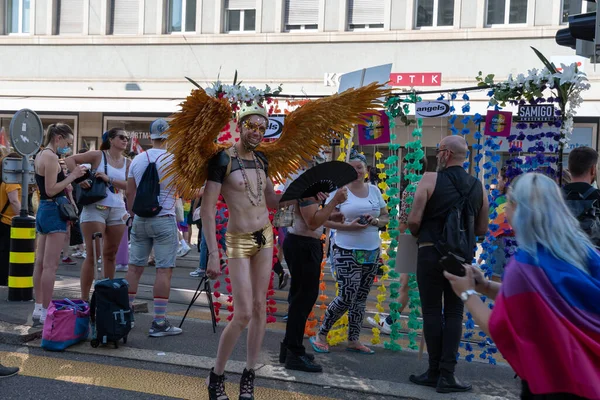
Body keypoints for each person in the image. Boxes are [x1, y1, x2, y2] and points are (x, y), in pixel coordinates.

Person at [445, 173, 600, 399]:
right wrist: (485, 286)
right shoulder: (584, 252)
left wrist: (467, 293)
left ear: (518, 208)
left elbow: (501, 328)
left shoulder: (526, 265)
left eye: (508, 203)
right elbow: (540, 302)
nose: (505, 210)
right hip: (590, 376)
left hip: (553, 380)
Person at [407, 135, 488, 393]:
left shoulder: (430, 178)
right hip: (461, 259)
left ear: (445, 154)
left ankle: (433, 371)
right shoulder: (479, 186)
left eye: (438, 150)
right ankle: (447, 375)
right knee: (454, 313)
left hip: (430, 252)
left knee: (431, 311)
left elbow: (413, 221)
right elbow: (482, 228)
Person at [310, 149, 389, 355]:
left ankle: (354, 339)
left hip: (371, 250)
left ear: (366, 169)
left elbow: (385, 216)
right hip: (346, 249)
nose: (356, 171)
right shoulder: (340, 191)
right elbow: (323, 220)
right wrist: (348, 227)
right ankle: (321, 334)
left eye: (359, 167)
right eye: (351, 168)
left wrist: (377, 221)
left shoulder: (374, 191)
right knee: (347, 295)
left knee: (361, 297)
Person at [280, 163, 347, 373]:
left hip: (302, 244)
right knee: (303, 299)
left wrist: (330, 214)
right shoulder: (306, 187)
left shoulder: (305, 185)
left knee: (299, 298)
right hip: (303, 245)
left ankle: (290, 348)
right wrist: (334, 202)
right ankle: (294, 351)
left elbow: (315, 218)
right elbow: (311, 221)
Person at [125, 119, 182, 337]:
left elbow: (130, 193)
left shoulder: (137, 160)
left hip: (140, 220)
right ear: (170, 136)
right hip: (164, 219)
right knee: (163, 270)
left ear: (150, 136)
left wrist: (133, 214)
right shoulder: (174, 161)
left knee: (134, 268)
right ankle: (159, 322)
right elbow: (186, 193)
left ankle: (126, 315)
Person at [65, 128, 131, 301]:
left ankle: (106, 297)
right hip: (95, 207)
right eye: (121, 137)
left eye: (127, 138)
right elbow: (69, 159)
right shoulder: (98, 155)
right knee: (94, 255)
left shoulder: (128, 162)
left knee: (111, 254)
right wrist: (79, 179)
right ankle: (85, 299)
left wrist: (109, 179)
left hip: (117, 209)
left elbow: (129, 186)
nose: (125, 140)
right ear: (111, 139)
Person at [368, 157, 428, 334]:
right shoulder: (430, 186)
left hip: (410, 240)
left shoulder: (410, 190)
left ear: (410, 167)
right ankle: (390, 321)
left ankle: (390, 322)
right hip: (426, 239)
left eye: (404, 166)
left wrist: (392, 241)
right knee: (410, 285)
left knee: (405, 285)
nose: (402, 170)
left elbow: (405, 222)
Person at [33, 123, 86, 322]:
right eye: (68, 143)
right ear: (58, 138)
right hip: (53, 208)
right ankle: (47, 310)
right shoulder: (52, 157)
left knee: (40, 263)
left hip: (44, 209)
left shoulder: (40, 155)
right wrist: (72, 176)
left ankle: (39, 307)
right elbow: (51, 189)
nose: (68, 147)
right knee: (50, 266)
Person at [563, 146, 600, 248]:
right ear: (593, 169)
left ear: (569, 168)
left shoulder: (555, 197)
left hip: (562, 259)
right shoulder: (598, 197)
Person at [0, 152, 23, 285]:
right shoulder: (11, 181)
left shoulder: (3, 179)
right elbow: (14, 201)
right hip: (9, 221)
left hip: (3, 220)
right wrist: (23, 219)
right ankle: (4, 281)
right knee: (7, 255)